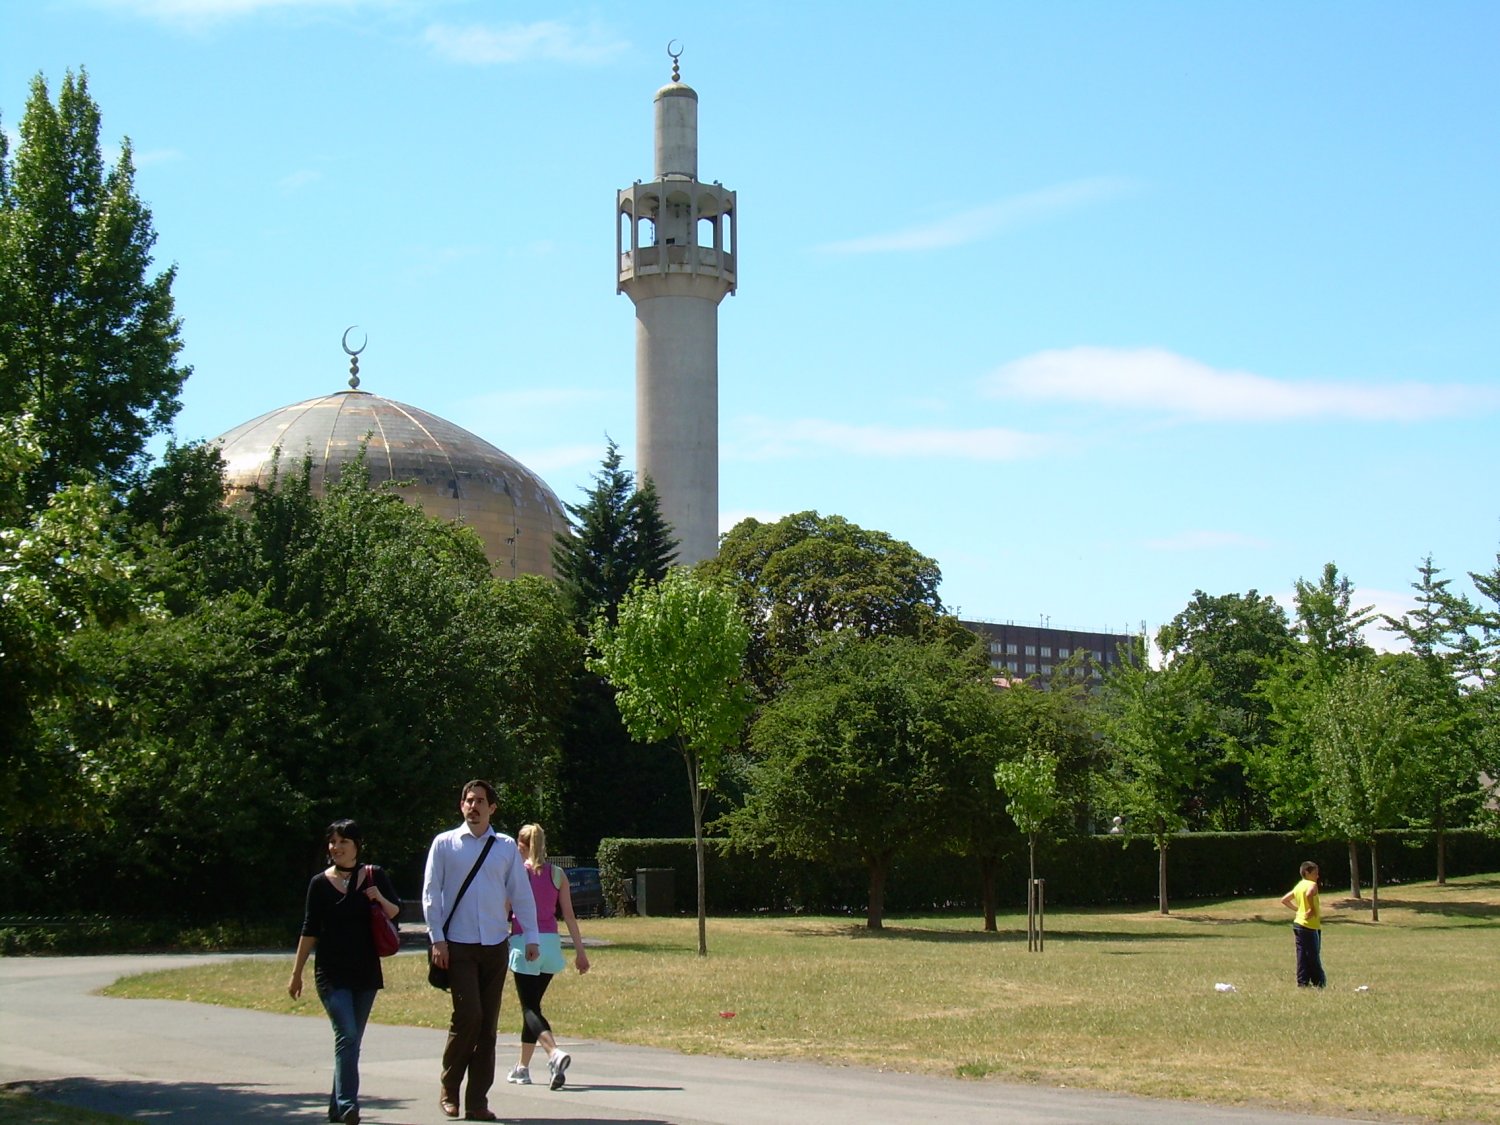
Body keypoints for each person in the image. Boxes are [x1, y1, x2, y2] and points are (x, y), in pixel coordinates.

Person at [423, 780, 540, 1121]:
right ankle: (449, 1085)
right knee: (468, 1016)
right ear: (461, 806)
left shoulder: (504, 847)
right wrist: (437, 939)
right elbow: (431, 893)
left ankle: (477, 1101)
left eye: (480, 802)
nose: (473, 807)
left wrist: (531, 936)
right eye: (469, 801)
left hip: (494, 945)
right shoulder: (445, 844)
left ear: (492, 808)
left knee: (487, 1025)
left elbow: (521, 894)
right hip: (457, 944)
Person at [287, 818, 402, 1125]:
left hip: (365, 973)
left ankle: (337, 1109)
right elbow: (309, 929)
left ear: (357, 846)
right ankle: (349, 1105)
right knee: (347, 1035)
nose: (336, 847)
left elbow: (395, 912)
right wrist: (296, 972)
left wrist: (377, 896)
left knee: (350, 1042)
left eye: (343, 842)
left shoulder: (374, 876)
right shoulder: (319, 884)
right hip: (331, 973)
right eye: (333, 842)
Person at [505, 823, 591, 1090]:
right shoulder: (557, 874)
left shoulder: (519, 873)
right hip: (552, 946)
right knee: (533, 1007)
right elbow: (568, 915)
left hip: (525, 943)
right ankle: (523, 1068)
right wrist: (580, 952)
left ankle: (554, 1053)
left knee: (529, 1008)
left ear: (521, 844)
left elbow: (504, 911)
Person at [1279, 860, 1327, 988]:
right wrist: (1311, 908)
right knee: (1313, 955)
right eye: (1315, 873)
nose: (1317, 876)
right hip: (1309, 926)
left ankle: (1303, 982)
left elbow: (1285, 900)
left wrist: (1298, 910)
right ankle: (1319, 982)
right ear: (1307, 872)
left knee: (1302, 955)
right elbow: (1310, 893)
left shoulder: (1299, 885)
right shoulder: (1312, 885)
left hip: (1298, 924)